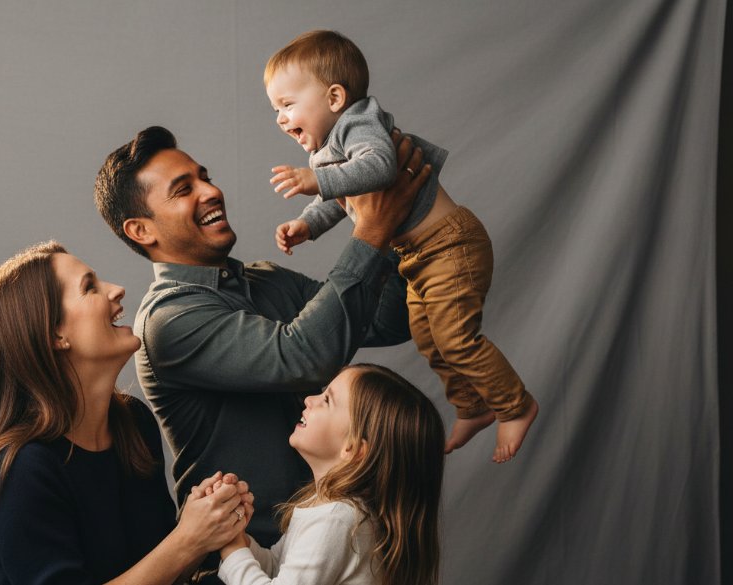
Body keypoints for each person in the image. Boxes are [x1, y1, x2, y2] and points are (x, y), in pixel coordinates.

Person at [94, 125, 429, 550]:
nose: (211, 192)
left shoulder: (267, 280)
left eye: (205, 177)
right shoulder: (169, 321)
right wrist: (372, 227)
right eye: (183, 190)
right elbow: (304, 356)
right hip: (248, 564)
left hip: (335, 544)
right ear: (141, 230)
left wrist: (397, 216)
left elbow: (388, 320)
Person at [264, 30, 538, 462]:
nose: (280, 118)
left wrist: (316, 180)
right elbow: (340, 199)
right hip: (417, 256)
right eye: (275, 109)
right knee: (430, 338)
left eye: (287, 104)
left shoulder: (359, 122)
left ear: (335, 97)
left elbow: (376, 168)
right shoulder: (327, 151)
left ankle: (515, 405)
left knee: (456, 336)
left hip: (450, 244)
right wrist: (306, 225)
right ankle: (473, 405)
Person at [0, 241, 255, 585]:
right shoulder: (20, 469)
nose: (117, 290)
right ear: (54, 333)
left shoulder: (133, 423)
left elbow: (163, 572)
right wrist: (187, 540)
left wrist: (207, 524)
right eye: (90, 287)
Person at [215, 364, 445, 585]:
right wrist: (240, 537)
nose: (309, 400)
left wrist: (232, 548)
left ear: (352, 449)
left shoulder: (336, 518)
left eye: (327, 400)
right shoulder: (328, 508)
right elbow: (278, 567)